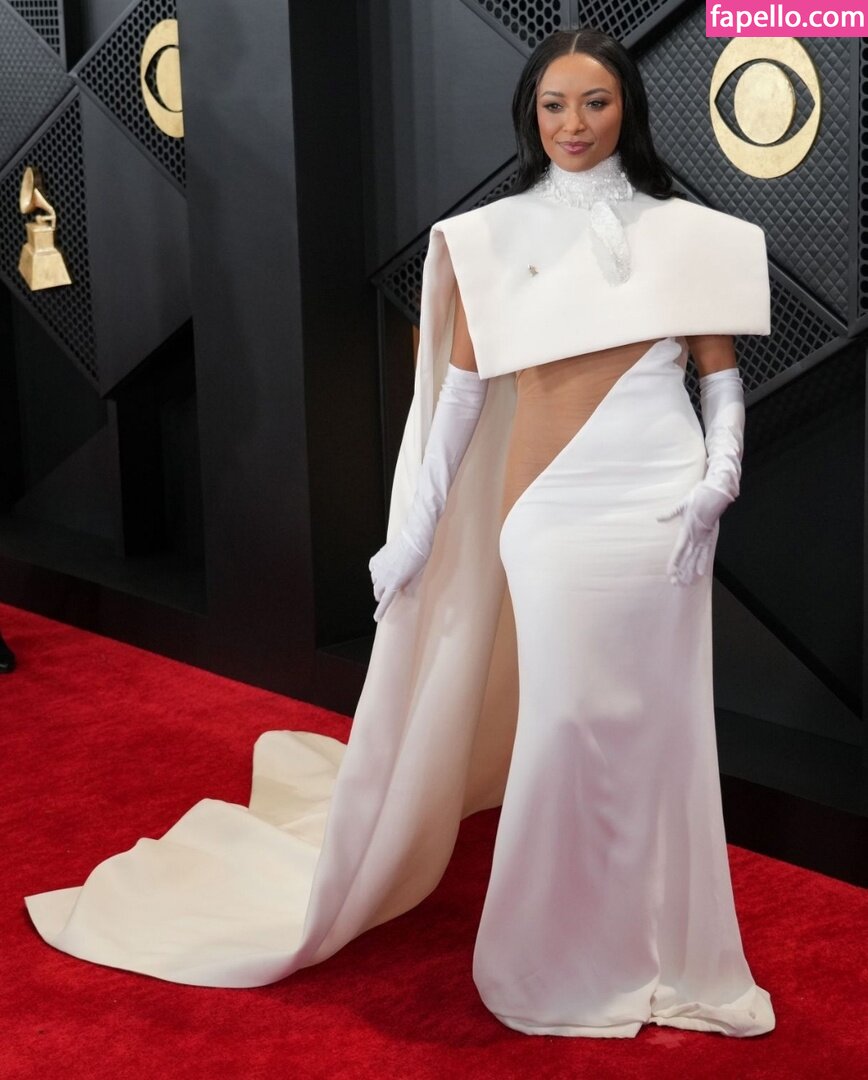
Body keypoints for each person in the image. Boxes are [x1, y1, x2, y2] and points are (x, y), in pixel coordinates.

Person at [26, 28, 774, 1039]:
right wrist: (412, 532)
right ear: (530, 115)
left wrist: (719, 479)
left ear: (627, 110)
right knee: (563, 725)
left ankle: (663, 939)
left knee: (662, 728)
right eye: (554, 104)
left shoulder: (688, 234)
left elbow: (718, 379)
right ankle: (564, 953)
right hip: (549, 514)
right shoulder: (488, 237)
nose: (574, 124)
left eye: (595, 102)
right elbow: (456, 404)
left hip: (665, 508)